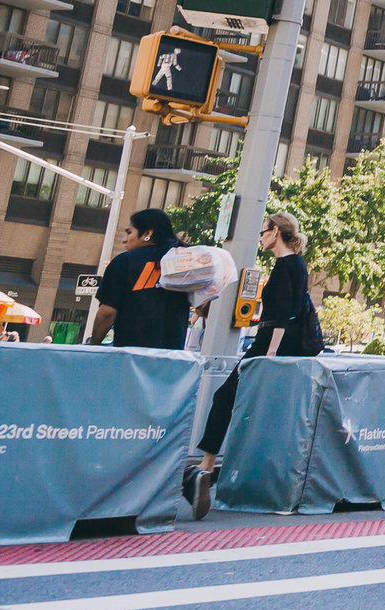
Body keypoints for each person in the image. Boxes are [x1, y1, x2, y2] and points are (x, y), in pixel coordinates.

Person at [188, 211, 324, 516]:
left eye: (264, 232)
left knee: (225, 396)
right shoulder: (291, 265)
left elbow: (285, 314)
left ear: (276, 231)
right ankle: (212, 469)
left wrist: (271, 353)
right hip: (274, 345)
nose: (261, 237)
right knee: (247, 404)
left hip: (270, 345)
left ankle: (206, 467)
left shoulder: (288, 266)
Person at [93, 208, 189, 350]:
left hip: (131, 359)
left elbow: (107, 313)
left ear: (147, 234)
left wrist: (92, 345)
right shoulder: (185, 263)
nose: (124, 239)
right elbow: (202, 308)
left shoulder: (124, 262)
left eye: (129, 232)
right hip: (171, 360)